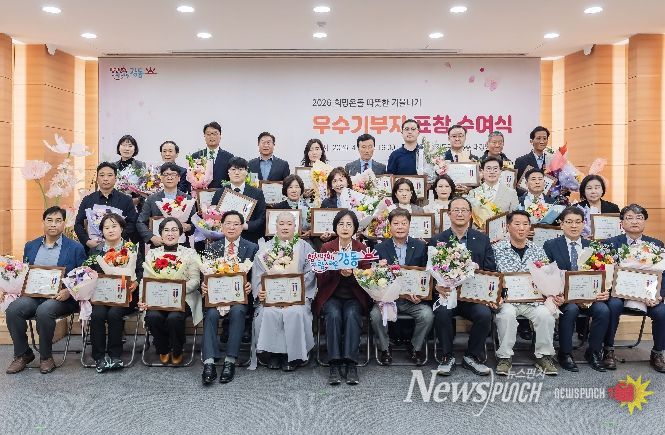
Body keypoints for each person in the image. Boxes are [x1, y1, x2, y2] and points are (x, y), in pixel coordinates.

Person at [4, 206, 86, 374]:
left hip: (62, 297)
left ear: (64, 224)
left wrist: (69, 291)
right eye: (49, 220)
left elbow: (83, 275)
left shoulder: (75, 248)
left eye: (58, 221)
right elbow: (24, 272)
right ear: (43, 222)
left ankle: (46, 357)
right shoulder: (30, 246)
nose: (53, 224)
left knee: (44, 311)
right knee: (13, 309)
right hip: (34, 296)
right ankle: (23, 354)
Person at [430, 196, 496, 376]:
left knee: (484, 314)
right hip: (447, 294)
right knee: (442, 312)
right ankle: (447, 356)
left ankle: (472, 356)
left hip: (473, 296)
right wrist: (436, 286)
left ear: (470, 214)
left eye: (464, 210)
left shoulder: (482, 240)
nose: (460, 214)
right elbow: (429, 271)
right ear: (449, 214)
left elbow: (490, 269)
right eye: (456, 210)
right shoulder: (437, 240)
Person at [543, 206, 612, 372]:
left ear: (583, 224)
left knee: (603, 310)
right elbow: (546, 274)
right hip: (563, 297)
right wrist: (556, 294)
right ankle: (565, 353)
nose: (573, 226)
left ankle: (593, 352)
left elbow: (602, 273)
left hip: (589, 297)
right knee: (571, 309)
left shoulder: (593, 246)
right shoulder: (550, 245)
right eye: (569, 222)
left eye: (577, 222)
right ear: (561, 224)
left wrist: (604, 290)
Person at [493, 210, 558, 376]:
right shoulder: (497, 249)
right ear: (508, 227)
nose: (521, 228)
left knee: (546, 315)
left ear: (530, 227)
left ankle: (543, 356)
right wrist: (497, 295)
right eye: (517, 224)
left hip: (533, 300)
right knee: (506, 315)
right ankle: (504, 357)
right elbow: (491, 276)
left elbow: (547, 276)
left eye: (525, 224)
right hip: (508, 300)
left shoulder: (538, 250)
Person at [250, 211, 317, 371]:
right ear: (276, 226)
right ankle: (273, 354)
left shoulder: (305, 247)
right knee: (269, 312)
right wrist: (260, 291)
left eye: (289, 224)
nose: (285, 227)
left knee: (295, 312)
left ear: (295, 227)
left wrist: (296, 295)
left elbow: (310, 273)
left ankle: (293, 356)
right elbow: (258, 274)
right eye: (281, 223)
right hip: (271, 298)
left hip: (297, 297)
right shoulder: (265, 248)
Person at [602, 204, 665, 372]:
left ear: (645, 222)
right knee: (613, 305)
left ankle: (657, 353)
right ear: (622, 223)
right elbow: (604, 271)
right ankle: (608, 350)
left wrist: (659, 295)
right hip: (619, 293)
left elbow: (663, 274)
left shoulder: (656, 244)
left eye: (639, 218)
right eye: (629, 218)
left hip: (647, 295)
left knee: (662, 312)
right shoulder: (610, 244)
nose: (635, 221)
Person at [200, 211, 259, 385]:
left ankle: (230, 361)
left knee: (238, 312)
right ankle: (209, 362)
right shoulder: (212, 247)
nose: (231, 227)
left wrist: (250, 286)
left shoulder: (252, 248)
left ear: (242, 227)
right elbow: (205, 275)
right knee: (210, 314)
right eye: (228, 223)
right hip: (216, 298)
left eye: (236, 224)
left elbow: (257, 276)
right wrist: (203, 286)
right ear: (222, 226)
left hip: (239, 298)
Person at [370, 208, 432, 366]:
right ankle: (385, 348)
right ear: (389, 226)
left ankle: (415, 347)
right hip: (388, 299)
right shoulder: (380, 248)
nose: (400, 227)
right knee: (376, 315)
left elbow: (426, 275)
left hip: (412, 300)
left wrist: (421, 294)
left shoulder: (420, 246)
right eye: (396, 223)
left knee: (427, 315)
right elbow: (374, 277)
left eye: (404, 223)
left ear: (409, 225)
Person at [314, 210, 370, 385]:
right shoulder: (327, 248)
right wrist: (336, 270)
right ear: (335, 227)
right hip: (331, 295)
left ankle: (351, 363)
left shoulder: (361, 249)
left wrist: (353, 274)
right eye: (341, 224)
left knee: (352, 315)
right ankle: (334, 363)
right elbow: (320, 278)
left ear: (355, 228)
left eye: (349, 225)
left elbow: (367, 279)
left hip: (354, 296)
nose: (345, 228)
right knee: (333, 315)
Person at [142, 218, 202, 365]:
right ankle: (163, 348)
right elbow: (146, 280)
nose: (170, 234)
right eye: (166, 230)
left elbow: (195, 281)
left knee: (174, 317)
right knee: (153, 316)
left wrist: (179, 290)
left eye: (174, 230)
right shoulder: (152, 254)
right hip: (157, 297)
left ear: (180, 233)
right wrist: (143, 299)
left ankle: (177, 349)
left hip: (183, 297)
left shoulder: (190, 253)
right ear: (161, 234)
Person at [88, 213, 143, 373]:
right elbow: (89, 273)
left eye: (114, 226)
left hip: (126, 295)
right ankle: (99, 356)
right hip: (102, 295)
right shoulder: (95, 251)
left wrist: (135, 283)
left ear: (122, 228)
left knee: (114, 313)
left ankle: (115, 355)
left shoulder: (131, 248)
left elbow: (140, 271)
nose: (110, 230)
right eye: (106, 228)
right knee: (97, 314)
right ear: (102, 231)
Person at [74, 162, 138, 253]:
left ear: (115, 179)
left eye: (110, 175)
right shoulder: (88, 200)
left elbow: (132, 223)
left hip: (119, 249)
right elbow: (78, 224)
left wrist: (116, 239)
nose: (105, 178)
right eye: (102, 175)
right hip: (94, 248)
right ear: (97, 178)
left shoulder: (126, 200)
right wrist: (87, 241)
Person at [136, 163, 195, 248]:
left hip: (182, 246)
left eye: (173, 174)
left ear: (179, 178)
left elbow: (195, 224)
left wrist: (188, 227)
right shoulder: (151, 199)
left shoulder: (188, 199)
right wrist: (152, 237)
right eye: (166, 174)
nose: (169, 177)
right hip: (159, 245)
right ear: (161, 178)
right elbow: (140, 222)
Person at [210, 157, 267, 244]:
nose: (237, 173)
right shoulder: (219, 193)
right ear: (228, 172)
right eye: (233, 169)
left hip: (249, 239)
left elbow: (262, 218)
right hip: (224, 239)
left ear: (246, 172)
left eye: (240, 169)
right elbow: (212, 216)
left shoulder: (257, 193)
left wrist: (246, 226)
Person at [190, 121, 234, 188]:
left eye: (215, 134)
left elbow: (232, 179)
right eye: (208, 134)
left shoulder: (229, 157)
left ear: (220, 136)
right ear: (204, 136)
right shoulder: (196, 156)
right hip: (201, 192)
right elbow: (191, 179)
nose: (212, 136)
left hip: (221, 192)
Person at [114, 134, 147, 209]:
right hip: (115, 204)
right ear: (119, 147)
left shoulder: (141, 166)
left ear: (135, 149)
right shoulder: (113, 166)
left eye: (130, 146)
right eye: (124, 145)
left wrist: (138, 200)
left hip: (135, 205)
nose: (127, 149)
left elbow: (146, 189)